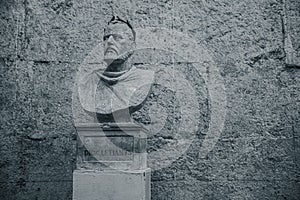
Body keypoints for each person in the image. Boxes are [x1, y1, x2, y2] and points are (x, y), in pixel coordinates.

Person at [78, 16, 155, 123]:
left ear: (132, 46)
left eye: (117, 37)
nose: (109, 42)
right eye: (106, 37)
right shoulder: (88, 81)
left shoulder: (144, 79)